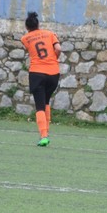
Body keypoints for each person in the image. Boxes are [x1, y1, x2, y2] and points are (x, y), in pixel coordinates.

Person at [20, 11, 62, 147]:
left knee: (39, 106)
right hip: (53, 73)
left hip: (37, 73)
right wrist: (54, 59)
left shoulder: (25, 38)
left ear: (27, 27)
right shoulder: (49, 34)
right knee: (46, 102)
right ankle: (46, 132)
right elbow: (58, 48)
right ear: (38, 24)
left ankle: (44, 136)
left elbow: (32, 49)